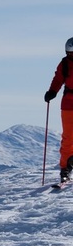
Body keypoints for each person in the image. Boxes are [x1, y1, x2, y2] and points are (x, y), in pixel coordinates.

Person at [45, 37, 73, 183]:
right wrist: (52, 92)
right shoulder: (65, 64)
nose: (71, 56)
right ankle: (65, 168)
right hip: (68, 104)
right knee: (68, 137)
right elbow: (58, 79)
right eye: (69, 54)